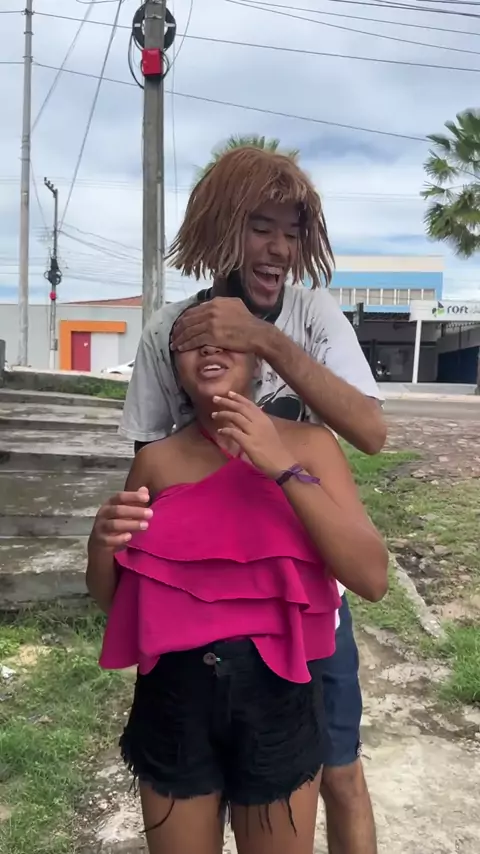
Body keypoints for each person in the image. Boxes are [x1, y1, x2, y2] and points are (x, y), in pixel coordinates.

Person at [119, 146, 387, 854]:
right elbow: (149, 478)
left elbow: (371, 432)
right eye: (260, 227)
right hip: (211, 615)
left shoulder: (311, 313)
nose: (279, 249)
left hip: (308, 595)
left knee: (340, 774)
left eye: (291, 233)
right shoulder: (169, 332)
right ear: (218, 229)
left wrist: (264, 340)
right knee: (206, 782)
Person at [88, 323, 389, 854]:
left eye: (226, 337)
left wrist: (281, 468)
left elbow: (372, 578)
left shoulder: (311, 445)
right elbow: (122, 605)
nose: (208, 347)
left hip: (280, 700)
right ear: (175, 370)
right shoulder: (156, 461)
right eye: (189, 343)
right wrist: (99, 547)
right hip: (173, 701)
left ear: (257, 361)